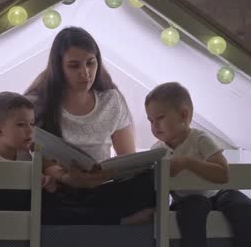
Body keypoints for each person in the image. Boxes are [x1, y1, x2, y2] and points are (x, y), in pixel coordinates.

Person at [25, 26, 155, 225]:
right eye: (74, 66)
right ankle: (116, 221)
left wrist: (109, 174)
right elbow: (32, 157)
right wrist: (67, 178)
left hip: (102, 190)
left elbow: (128, 159)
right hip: (60, 190)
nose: (85, 73)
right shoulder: (36, 103)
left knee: (150, 181)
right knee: (32, 200)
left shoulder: (111, 100)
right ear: (59, 67)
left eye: (90, 63)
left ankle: (90, 217)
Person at [145, 82, 251, 247]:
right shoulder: (158, 150)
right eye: (150, 120)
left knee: (244, 207)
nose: (154, 126)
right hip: (187, 198)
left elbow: (223, 173)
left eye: (160, 118)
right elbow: (154, 184)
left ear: (184, 115)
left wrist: (188, 163)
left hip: (218, 193)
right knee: (192, 209)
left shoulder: (200, 138)